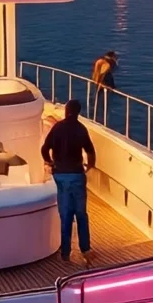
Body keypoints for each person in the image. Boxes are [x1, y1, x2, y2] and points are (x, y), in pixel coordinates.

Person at [41, 99, 97, 263]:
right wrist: (90, 167)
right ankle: (85, 249)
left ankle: (65, 253)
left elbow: (44, 149)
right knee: (81, 213)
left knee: (65, 214)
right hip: (77, 175)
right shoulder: (81, 129)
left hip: (60, 175)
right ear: (78, 112)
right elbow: (90, 151)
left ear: (66, 111)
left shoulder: (57, 128)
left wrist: (49, 162)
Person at [90, 51, 118, 122]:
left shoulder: (99, 61)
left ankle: (94, 118)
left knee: (96, 102)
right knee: (105, 105)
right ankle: (103, 120)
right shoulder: (108, 64)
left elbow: (96, 74)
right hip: (104, 86)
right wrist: (103, 84)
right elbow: (103, 74)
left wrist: (97, 82)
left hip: (99, 84)